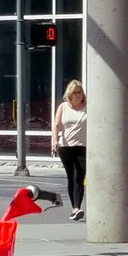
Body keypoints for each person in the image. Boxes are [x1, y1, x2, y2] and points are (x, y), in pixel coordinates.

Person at [54, 80, 89, 216]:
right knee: (71, 177)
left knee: (79, 176)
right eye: (75, 93)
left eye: (80, 92)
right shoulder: (63, 107)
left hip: (82, 146)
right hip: (66, 147)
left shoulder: (88, 107)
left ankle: (77, 208)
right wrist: (55, 140)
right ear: (70, 94)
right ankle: (74, 207)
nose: (78, 95)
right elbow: (56, 125)